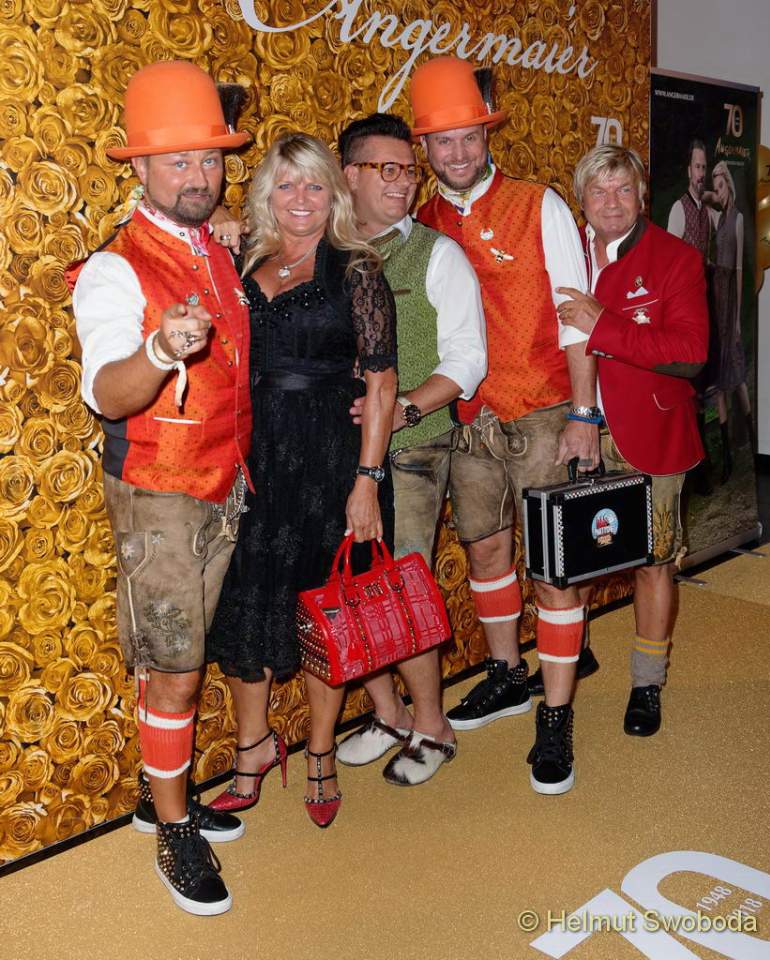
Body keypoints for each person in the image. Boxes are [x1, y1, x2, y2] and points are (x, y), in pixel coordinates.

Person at [72, 61, 252, 915]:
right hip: (159, 490)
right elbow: (106, 393)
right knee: (176, 666)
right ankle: (173, 829)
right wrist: (156, 351)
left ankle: (160, 792)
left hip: (223, 484)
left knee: (178, 653)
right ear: (139, 166)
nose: (198, 175)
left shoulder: (214, 248)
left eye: (209, 158)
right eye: (177, 160)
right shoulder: (114, 269)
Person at [410, 56, 600, 795]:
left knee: (554, 568)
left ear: (486, 136)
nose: (458, 153)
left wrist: (583, 412)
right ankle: (508, 673)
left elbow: (577, 318)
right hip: (469, 419)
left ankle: (556, 715)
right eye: (443, 141)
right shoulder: (422, 222)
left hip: (546, 410)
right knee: (486, 548)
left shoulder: (537, 203)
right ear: (425, 148)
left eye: (469, 137)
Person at [205, 133, 397, 828]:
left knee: (325, 612)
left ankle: (320, 751)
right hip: (255, 460)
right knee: (246, 604)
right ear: (267, 193)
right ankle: (253, 748)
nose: (301, 199)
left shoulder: (356, 268)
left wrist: (367, 480)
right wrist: (220, 219)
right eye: (286, 184)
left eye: (315, 185)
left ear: (334, 194)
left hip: (330, 463)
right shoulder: (242, 261)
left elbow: (381, 383)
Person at [331, 113, 487, 785]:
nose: (403, 184)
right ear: (350, 175)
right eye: (387, 170)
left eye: (409, 171)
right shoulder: (319, 246)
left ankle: (433, 724)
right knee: (347, 587)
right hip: (332, 452)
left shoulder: (436, 253)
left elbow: (469, 359)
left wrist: (405, 410)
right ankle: (389, 712)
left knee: (401, 586)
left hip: (414, 451)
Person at [556, 144, 708, 736]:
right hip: (573, 428)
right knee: (570, 558)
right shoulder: (564, 250)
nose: (612, 202)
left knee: (653, 563)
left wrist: (604, 324)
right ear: (581, 200)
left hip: (652, 433)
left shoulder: (676, 258)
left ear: (642, 195)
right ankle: (573, 653)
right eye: (599, 191)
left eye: (624, 189)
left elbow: (690, 354)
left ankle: (647, 682)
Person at [667, 138, 715, 494]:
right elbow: (667, 265)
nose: (701, 173)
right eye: (697, 167)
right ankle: (690, 470)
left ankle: (699, 467)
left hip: (703, 306)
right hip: (681, 314)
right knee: (687, 391)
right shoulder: (679, 209)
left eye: (704, 167)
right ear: (688, 170)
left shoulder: (706, 212)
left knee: (701, 390)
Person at [707, 160, 753, 482]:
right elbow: (704, 198)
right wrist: (713, 191)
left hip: (729, 298)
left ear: (729, 185)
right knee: (720, 380)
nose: (718, 192)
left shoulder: (736, 218)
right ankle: (726, 457)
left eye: (721, 186)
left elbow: (738, 269)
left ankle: (749, 437)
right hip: (715, 294)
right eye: (716, 187)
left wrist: (736, 319)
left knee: (736, 376)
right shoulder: (719, 216)